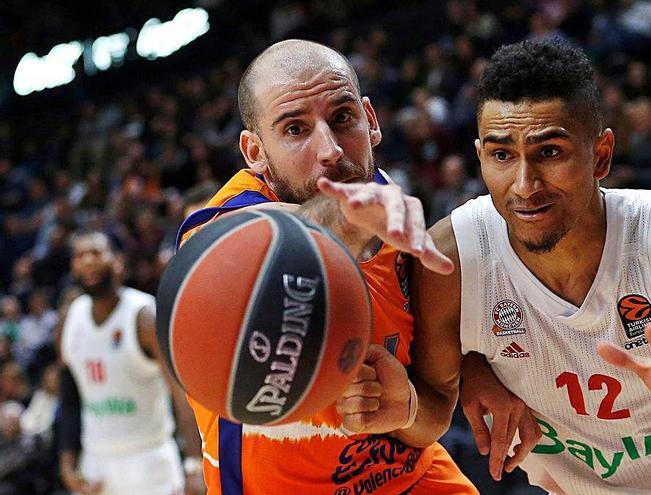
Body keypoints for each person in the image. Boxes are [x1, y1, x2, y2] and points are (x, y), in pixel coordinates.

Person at [343, 39, 651, 493]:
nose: (524, 184)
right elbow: (430, 411)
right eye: (501, 154)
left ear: (601, 154)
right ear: (479, 157)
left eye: (550, 152)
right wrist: (450, 378)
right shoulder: (452, 260)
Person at [175, 39, 478, 494]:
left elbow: (434, 413)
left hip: (413, 478)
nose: (331, 149)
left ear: (370, 119)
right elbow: (263, 245)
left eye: (342, 118)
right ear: (254, 151)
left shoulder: (388, 204)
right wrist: (348, 216)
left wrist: (406, 408)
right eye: (295, 129)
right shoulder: (219, 230)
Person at [56, 232, 205, 495]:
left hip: (148, 461)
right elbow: (68, 398)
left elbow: (183, 395)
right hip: (95, 464)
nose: (88, 261)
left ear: (118, 261)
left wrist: (194, 465)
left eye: (97, 253)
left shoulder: (144, 316)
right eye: (80, 256)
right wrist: (67, 464)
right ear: (72, 267)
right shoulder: (69, 319)